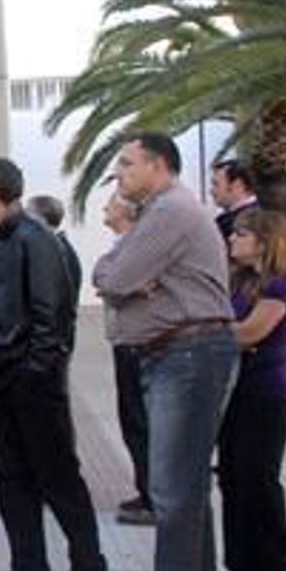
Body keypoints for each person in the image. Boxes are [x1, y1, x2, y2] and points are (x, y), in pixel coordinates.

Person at [95, 132, 238, 571]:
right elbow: (108, 272)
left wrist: (130, 279)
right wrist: (126, 276)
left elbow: (117, 279)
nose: (120, 173)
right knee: (186, 485)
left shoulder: (170, 211)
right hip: (180, 354)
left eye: (127, 164)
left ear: (158, 165)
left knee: (173, 488)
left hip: (188, 354)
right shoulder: (162, 213)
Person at [0, 157, 105, 571]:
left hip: (32, 380)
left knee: (56, 473)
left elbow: (52, 316)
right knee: (11, 477)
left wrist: (34, 372)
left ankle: (88, 566)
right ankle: (27, 569)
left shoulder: (36, 238)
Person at [215, 209, 286, 571]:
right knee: (232, 476)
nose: (232, 239)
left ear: (265, 243)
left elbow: (250, 332)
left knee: (258, 477)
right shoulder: (241, 281)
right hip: (236, 393)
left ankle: (278, 565)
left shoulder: (279, 286)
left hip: (267, 395)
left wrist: (216, 330)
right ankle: (245, 564)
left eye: (241, 234)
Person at [100, 193, 154, 527]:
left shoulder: (138, 246)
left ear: (126, 211)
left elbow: (117, 284)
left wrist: (116, 284)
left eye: (110, 203)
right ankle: (145, 489)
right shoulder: (120, 247)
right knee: (132, 422)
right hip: (123, 342)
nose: (105, 208)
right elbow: (103, 276)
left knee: (141, 422)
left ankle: (153, 497)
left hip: (138, 344)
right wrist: (114, 283)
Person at [25, 194, 83, 308]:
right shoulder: (57, 246)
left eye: (28, 213)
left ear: (39, 219)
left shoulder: (57, 250)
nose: (23, 219)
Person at [209, 159, 258, 243]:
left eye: (216, 184)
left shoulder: (252, 221)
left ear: (237, 185)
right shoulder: (225, 219)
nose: (211, 191)